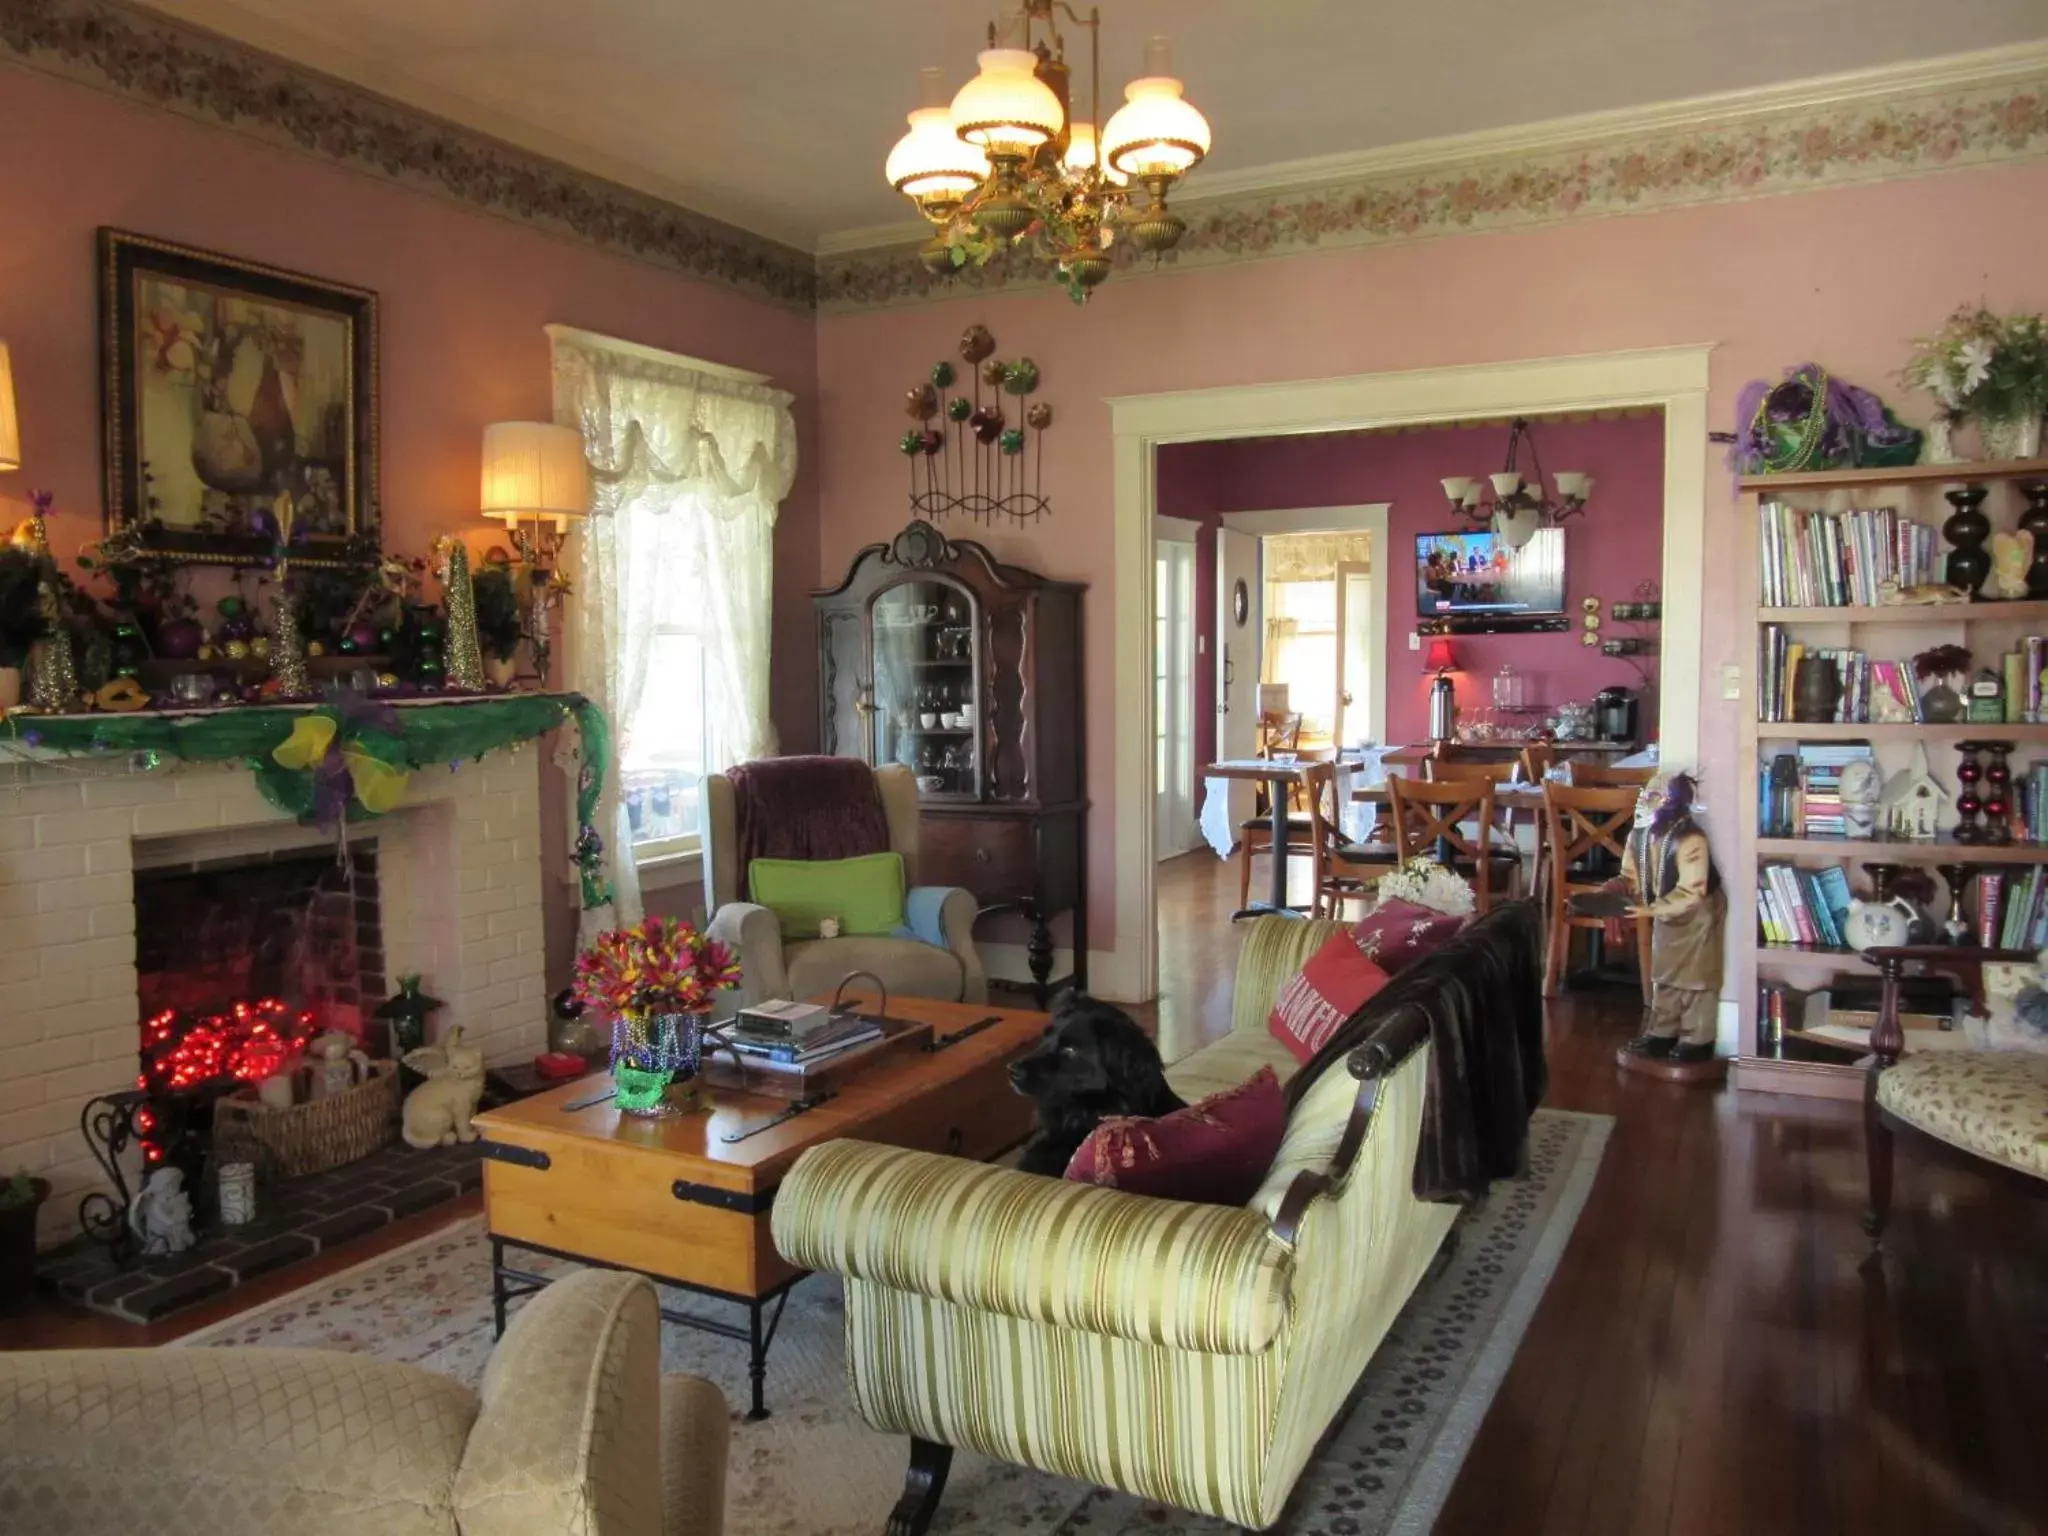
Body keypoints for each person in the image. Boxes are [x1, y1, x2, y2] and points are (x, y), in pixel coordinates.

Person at [1609, 770, 1724, 1065]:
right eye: (1644, 795)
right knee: (1665, 975)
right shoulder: (1639, 836)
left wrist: (1650, 910)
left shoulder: (1691, 839)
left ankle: (1697, 1039)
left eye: (1652, 797)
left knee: (1698, 979)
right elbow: (1630, 876)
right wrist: (1614, 890)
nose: (1644, 802)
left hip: (1699, 917)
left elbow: (1692, 891)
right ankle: (1662, 1033)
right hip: (1664, 912)